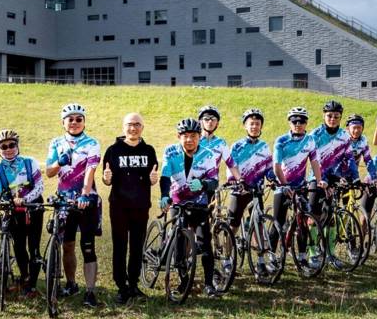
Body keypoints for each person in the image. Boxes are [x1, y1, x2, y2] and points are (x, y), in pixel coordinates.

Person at [45, 102, 102, 308]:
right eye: (71, 119)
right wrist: (59, 162)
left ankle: (90, 291)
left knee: (87, 246)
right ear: (63, 122)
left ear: (84, 122)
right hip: (64, 199)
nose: (75, 123)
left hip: (86, 199)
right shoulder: (56, 143)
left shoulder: (92, 143)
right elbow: (49, 173)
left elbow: (90, 170)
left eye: (79, 119)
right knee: (67, 244)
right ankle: (71, 284)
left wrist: (85, 194)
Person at [160, 118, 223, 296]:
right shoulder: (170, 152)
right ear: (178, 137)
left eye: (193, 136)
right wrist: (165, 195)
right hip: (177, 201)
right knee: (179, 241)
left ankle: (209, 284)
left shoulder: (209, 154)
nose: (189, 140)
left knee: (205, 242)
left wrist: (203, 184)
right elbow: (165, 175)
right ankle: (183, 280)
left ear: (199, 136)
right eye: (185, 136)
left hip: (199, 203)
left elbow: (214, 181)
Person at [101, 112, 159, 304]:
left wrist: (153, 180)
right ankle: (121, 286)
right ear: (123, 126)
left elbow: (153, 174)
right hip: (119, 206)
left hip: (141, 206)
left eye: (137, 124)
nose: (133, 128)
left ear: (142, 127)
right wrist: (106, 179)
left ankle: (133, 284)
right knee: (120, 245)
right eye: (129, 124)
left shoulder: (149, 150)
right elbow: (106, 177)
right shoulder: (113, 150)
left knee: (137, 246)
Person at [0, 129, 45, 300]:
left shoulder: (29, 162)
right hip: (12, 211)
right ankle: (25, 278)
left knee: (33, 245)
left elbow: (40, 186)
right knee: (19, 247)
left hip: (33, 207)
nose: (8, 149)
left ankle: (32, 285)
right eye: (4, 147)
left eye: (12, 145)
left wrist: (25, 199)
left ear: (17, 146)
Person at [272, 107, 326, 269]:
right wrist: (284, 184)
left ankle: (302, 258)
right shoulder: (281, 141)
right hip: (283, 185)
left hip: (300, 187)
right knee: (277, 223)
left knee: (302, 222)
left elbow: (315, 162)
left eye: (301, 121)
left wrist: (319, 180)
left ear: (306, 123)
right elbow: (276, 166)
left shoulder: (310, 140)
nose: (298, 124)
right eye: (294, 121)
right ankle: (271, 256)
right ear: (289, 122)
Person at [227, 108, 273, 233]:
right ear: (245, 126)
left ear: (261, 126)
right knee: (233, 225)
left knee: (258, 224)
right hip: (239, 190)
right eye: (251, 124)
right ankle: (229, 251)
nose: (254, 126)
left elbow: (269, 167)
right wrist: (232, 179)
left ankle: (260, 251)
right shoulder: (237, 146)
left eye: (257, 124)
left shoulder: (264, 146)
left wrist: (272, 178)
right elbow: (231, 165)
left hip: (256, 191)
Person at [310, 100, 351, 222]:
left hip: (335, 178)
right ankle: (313, 239)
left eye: (336, 116)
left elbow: (350, 158)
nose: (332, 119)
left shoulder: (344, 135)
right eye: (329, 116)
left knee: (330, 216)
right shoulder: (315, 135)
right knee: (313, 213)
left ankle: (328, 241)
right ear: (324, 115)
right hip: (317, 178)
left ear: (340, 118)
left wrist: (353, 177)